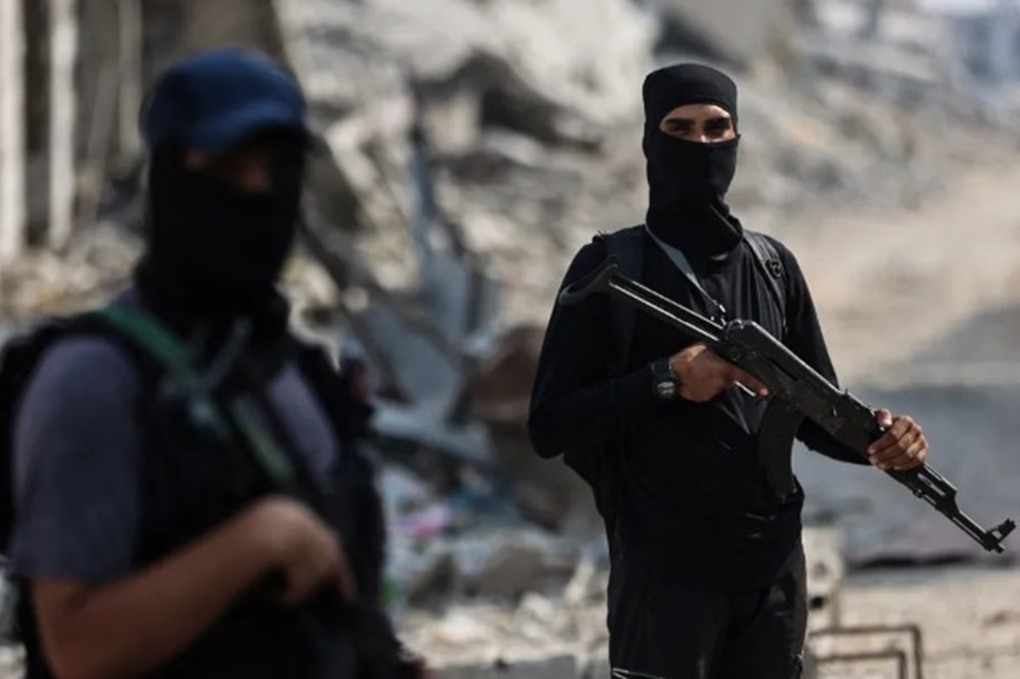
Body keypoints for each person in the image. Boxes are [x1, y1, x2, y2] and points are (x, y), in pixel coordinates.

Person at [6, 48, 420, 678]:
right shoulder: (94, 381)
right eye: (228, 169)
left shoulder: (292, 372)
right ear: (168, 179)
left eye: (278, 170)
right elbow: (77, 650)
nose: (256, 193)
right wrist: (257, 541)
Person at [528, 63, 930, 679]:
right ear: (650, 141)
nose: (701, 144)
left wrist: (886, 440)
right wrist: (665, 379)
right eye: (680, 129)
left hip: (771, 574)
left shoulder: (772, 267)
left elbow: (816, 412)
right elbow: (550, 425)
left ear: (738, 138)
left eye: (717, 128)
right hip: (662, 577)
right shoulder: (611, 267)